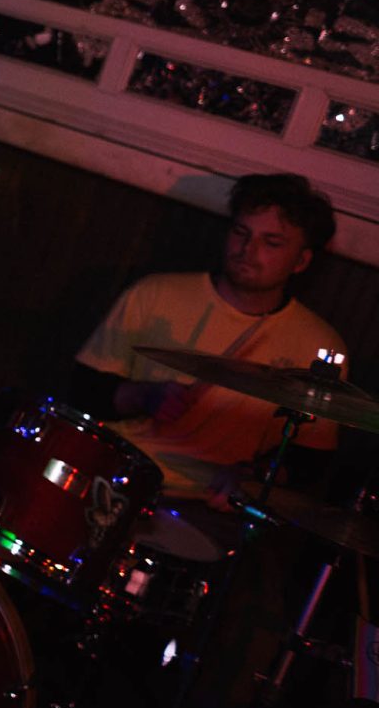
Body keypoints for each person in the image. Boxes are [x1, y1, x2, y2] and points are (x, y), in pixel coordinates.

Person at [72, 172, 347, 516]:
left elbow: (311, 459)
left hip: (207, 508)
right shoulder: (155, 293)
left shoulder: (319, 346)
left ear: (302, 260)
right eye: (240, 233)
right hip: (112, 478)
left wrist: (252, 477)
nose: (248, 250)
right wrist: (143, 395)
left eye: (271, 242)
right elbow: (80, 391)